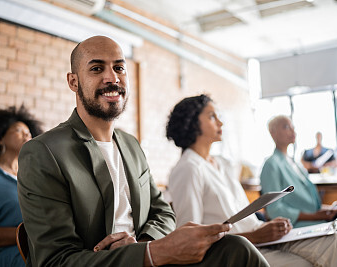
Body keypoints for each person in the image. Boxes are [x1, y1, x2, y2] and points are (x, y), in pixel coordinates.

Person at [17, 36, 268, 267]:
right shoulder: (43, 152)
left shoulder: (130, 144)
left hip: (151, 259)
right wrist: (151, 253)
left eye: (119, 67)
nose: (112, 78)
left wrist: (146, 245)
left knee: (237, 248)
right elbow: (55, 261)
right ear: (73, 82)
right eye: (96, 69)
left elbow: (163, 212)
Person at [166, 95, 337, 267]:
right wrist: (253, 236)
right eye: (211, 116)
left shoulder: (221, 164)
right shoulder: (188, 169)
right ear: (192, 124)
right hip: (236, 249)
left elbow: (241, 215)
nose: (220, 123)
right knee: (307, 262)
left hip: (258, 238)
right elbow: (190, 240)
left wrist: (269, 228)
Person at [260, 115, 337, 267]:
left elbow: (310, 205)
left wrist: (329, 208)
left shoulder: (295, 164)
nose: (292, 130)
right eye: (286, 127)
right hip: (304, 226)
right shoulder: (271, 165)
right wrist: (316, 215)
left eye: (293, 126)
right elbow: (275, 209)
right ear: (272, 133)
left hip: (319, 217)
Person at [0, 105, 42, 267]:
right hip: (3, 255)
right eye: (18, 130)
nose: (26, 134)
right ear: (0, 138)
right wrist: (21, 234)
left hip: (39, 249)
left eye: (28, 131)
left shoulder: (33, 179)